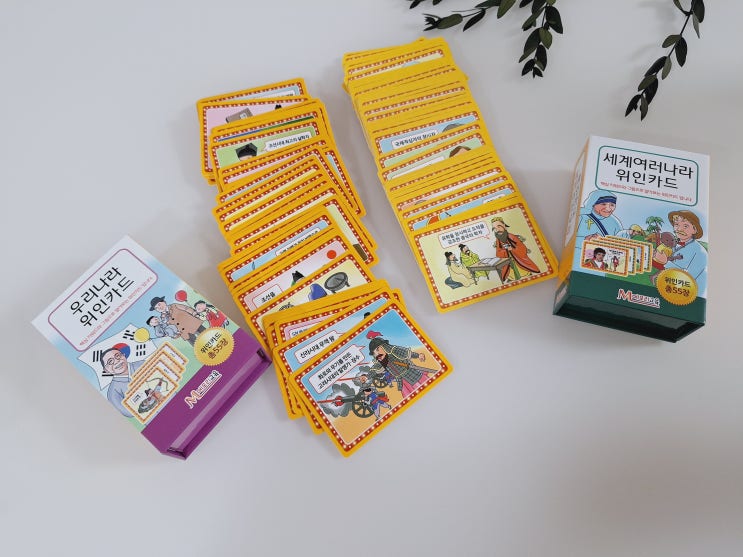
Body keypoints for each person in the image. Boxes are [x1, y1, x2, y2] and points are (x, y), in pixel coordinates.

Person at [652, 210, 707, 294]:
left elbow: (688, 278)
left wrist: (665, 262)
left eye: (685, 226)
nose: (679, 229)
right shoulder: (674, 245)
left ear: (695, 230)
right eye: (676, 224)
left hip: (689, 295)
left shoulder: (700, 252)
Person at [491, 217, 540, 282]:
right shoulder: (498, 241)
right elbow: (498, 253)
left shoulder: (512, 236)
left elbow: (522, 248)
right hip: (508, 262)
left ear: (504, 226)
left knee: (524, 272)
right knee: (508, 271)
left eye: (499, 227)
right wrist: (505, 251)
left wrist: (512, 249)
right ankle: (512, 278)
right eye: (494, 228)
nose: (497, 230)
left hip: (519, 259)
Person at [100, 343, 143, 417]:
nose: (117, 361)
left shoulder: (141, 364)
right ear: (106, 370)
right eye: (110, 361)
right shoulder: (113, 391)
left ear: (124, 355)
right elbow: (127, 412)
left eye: (118, 356)